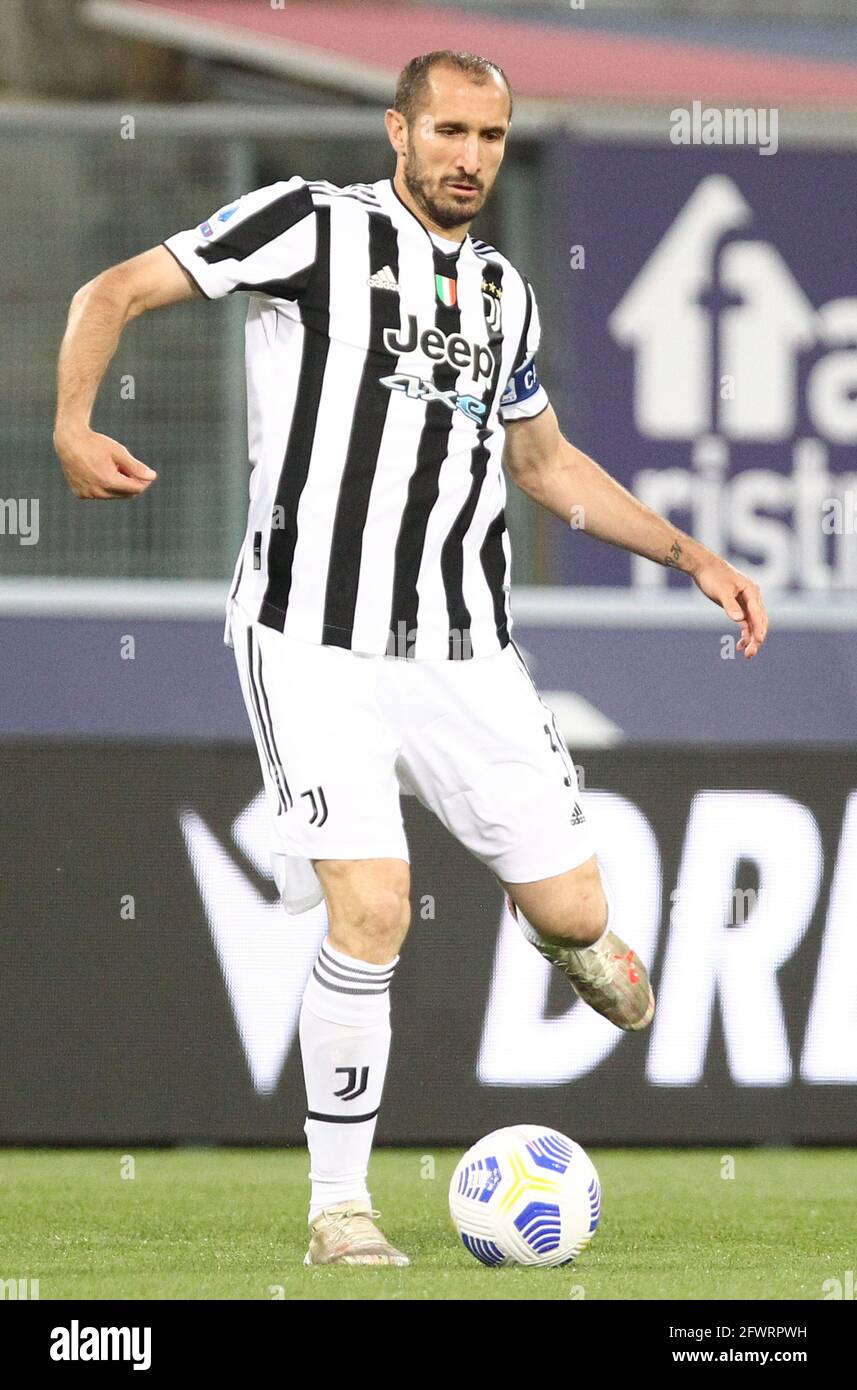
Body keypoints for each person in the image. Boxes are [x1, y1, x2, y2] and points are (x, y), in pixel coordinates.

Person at [54, 50, 768, 1268]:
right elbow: (111, 289)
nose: (470, 157)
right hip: (310, 638)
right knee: (372, 908)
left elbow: (542, 468)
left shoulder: (504, 297)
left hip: (464, 652)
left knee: (574, 908)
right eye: (448, 130)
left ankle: (574, 934)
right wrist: (70, 425)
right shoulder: (304, 227)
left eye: (490, 138)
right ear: (398, 131)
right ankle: (340, 1207)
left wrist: (688, 553)